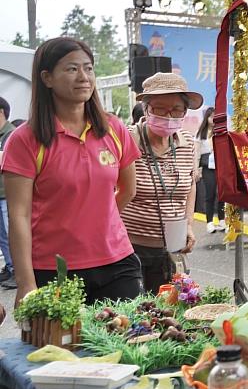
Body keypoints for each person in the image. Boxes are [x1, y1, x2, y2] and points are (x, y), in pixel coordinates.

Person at [1, 37, 143, 306]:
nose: (83, 77)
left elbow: (129, 189)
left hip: (117, 265)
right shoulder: (25, 140)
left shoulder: (114, 129)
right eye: (71, 69)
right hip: (54, 271)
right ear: (47, 78)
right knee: (60, 348)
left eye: (88, 68)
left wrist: (97, 222)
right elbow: (18, 215)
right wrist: (26, 284)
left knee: (126, 344)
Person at [119, 72, 202, 294]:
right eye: (159, 108)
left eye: (176, 109)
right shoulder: (126, 140)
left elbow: (191, 184)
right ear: (146, 109)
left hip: (172, 249)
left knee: (168, 311)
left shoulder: (187, 143)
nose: (168, 115)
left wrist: (189, 225)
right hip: (129, 247)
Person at [196, 106, 225, 234]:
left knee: (222, 193)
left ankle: (222, 220)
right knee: (210, 194)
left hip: (220, 165)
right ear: (206, 118)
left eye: (215, 116)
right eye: (211, 116)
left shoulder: (220, 132)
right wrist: (196, 168)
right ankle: (209, 222)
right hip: (208, 166)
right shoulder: (201, 134)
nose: (213, 119)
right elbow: (197, 153)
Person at [0, 96, 16, 289]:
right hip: (2, 194)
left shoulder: (10, 135)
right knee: (3, 236)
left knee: (10, 232)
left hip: (7, 194)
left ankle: (15, 269)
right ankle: (11, 268)